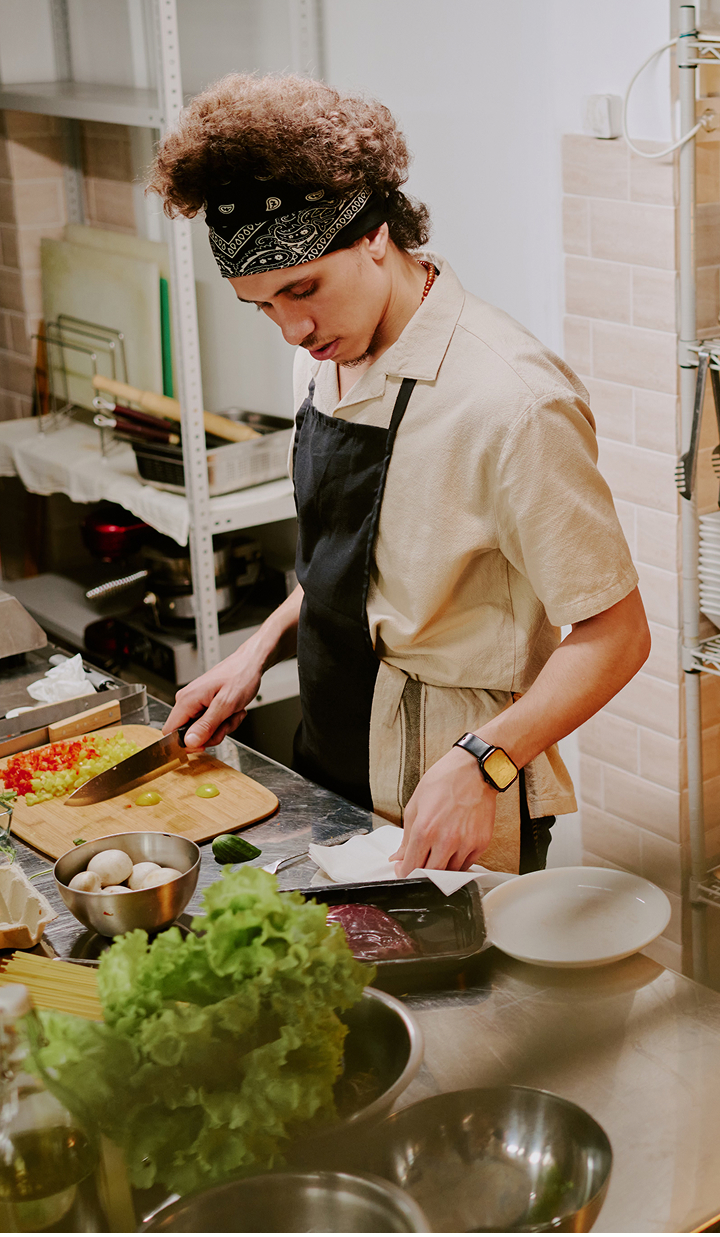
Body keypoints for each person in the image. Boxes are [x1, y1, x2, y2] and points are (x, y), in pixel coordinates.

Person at [151, 73, 650, 877]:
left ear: (375, 233)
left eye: (303, 289)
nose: (294, 329)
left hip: (451, 792)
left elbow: (617, 634)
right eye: (264, 306)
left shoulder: (511, 400)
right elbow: (362, 561)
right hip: (329, 755)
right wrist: (259, 650)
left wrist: (487, 760)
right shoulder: (323, 362)